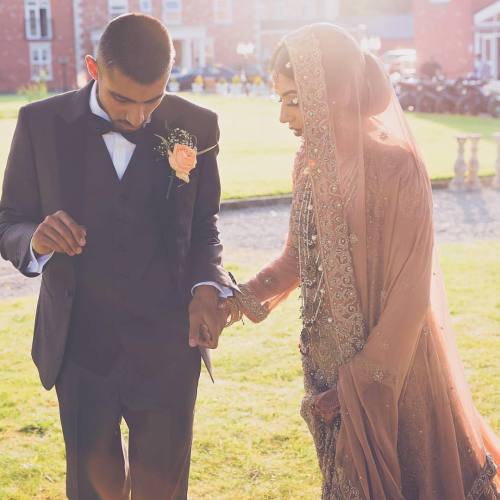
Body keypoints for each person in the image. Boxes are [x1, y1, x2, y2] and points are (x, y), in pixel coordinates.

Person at [227, 24, 500, 499]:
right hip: (327, 367)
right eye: (280, 99)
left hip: (397, 375)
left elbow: (409, 295)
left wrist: (359, 386)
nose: (281, 116)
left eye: (292, 99)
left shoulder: (396, 167)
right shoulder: (308, 160)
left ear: (330, 93)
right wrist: (240, 297)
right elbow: (297, 255)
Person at [0, 13, 233, 499]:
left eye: (153, 100)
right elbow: (9, 221)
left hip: (170, 347)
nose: (137, 117)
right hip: (80, 347)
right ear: (92, 68)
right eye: (122, 99)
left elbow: (205, 226)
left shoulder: (197, 125)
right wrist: (36, 240)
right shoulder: (40, 124)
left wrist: (208, 285)